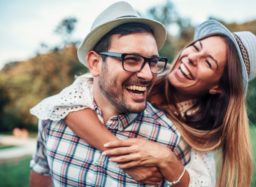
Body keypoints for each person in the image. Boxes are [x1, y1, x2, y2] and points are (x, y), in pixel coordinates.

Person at [31, 18, 256, 187]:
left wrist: (167, 160)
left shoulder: (193, 135)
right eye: (196, 47)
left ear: (217, 87)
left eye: (208, 63)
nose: (191, 58)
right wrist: (124, 157)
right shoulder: (147, 73)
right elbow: (69, 101)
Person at [29, 1, 191, 187]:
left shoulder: (170, 139)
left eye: (153, 62)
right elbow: (41, 171)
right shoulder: (54, 115)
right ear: (95, 63)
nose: (147, 74)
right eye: (131, 60)